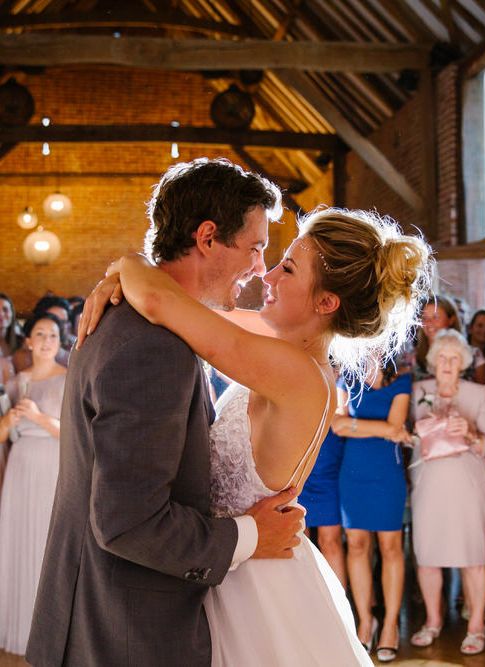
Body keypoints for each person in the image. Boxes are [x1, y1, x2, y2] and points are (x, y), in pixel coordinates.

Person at [76, 203, 432, 666]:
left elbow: (162, 301)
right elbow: (180, 304)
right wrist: (125, 276)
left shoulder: (299, 373)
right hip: (228, 561)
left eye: (288, 268)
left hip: (252, 581)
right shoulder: (279, 350)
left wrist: (125, 264)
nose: (268, 277)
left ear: (326, 303)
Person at [26, 159, 304, 667]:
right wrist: (250, 535)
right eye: (256, 247)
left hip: (97, 616)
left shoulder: (135, 316)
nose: (260, 268)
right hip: (122, 633)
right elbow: (127, 521)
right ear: (207, 237)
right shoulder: (152, 347)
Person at [409, 329, 485, 656]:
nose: (447, 363)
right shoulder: (419, 390)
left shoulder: (478, 394)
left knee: (472, 555)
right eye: (442, 358)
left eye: (454, 358)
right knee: (428, 554)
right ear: (433, 361)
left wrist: (472, 433)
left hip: (468, 484)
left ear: (463, 363)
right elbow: (407, 437)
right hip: (429, 484)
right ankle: (433, 621)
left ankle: (476, 625)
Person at [331, 360, 412, 661]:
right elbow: (336, 424)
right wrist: (383, 429)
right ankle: (366, 621)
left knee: (391, 547)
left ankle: (390, 624)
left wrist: (356, 426)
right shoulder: (348, 378)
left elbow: (396, 425)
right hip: (352, 474)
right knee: (356, 545)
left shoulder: (402, 380)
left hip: (387, 473)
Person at [0, 312, 66, 655]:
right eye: (39, 334)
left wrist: (39, 417)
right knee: (19, 537)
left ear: (60, 341)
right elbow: (2, 435)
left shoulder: (68, 378)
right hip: (21, 466)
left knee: (45, 540)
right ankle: (17, 625)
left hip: (51, 465)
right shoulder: (15, 382)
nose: (45, 341)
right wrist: (10, 417)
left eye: (52, 335)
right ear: (28, 340)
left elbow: (72, 435)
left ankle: (47, 631)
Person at [298, 427, 347, 587]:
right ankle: (303, 602)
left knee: (330, 541)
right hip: (296, 457)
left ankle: (339, 606)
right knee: (297, 542)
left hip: (326, 460)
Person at [413, 295, 485, 384]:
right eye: (425, 318)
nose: (429, 322)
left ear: (451, 320)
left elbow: (483, 393)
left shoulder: (475, 356)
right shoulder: (413, 358)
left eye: (436, 317)